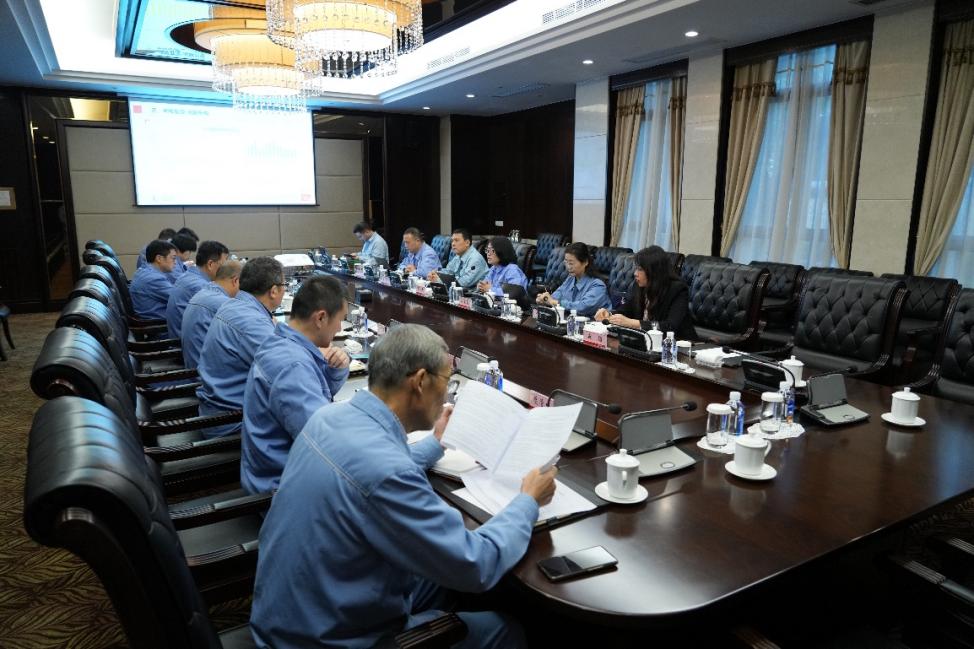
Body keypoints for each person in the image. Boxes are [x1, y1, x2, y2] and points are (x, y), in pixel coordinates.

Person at [251, 324, 556, 649]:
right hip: (325, 639)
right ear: (421, 381)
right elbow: (476, 564)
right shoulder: (388, 473)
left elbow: (367, 471)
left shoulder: (328, 418)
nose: (447, 393)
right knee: (506, 628)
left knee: (442, 582)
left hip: (292, 610)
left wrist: (436, 443)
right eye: (447, 380)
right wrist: (527, 501)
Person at [241, 276, 351, 495]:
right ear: (320, 318)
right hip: (281, 488)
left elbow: (316, 392)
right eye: (340, 320)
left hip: (270, 469)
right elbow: (325, 444)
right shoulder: (292, 366)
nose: (339, 328)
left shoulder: (282, 341)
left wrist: (335, 370)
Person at [196, 257, 286, 438]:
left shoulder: (234, 305)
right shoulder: (251, 322)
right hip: (232, 423)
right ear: (274, 291)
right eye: (285, 285)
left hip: (216, 412)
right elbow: (287, 371)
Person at [594, 245, 697, 339]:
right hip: (645, 341)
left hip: (680, 345)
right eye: (636, 269)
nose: (635, 273)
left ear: (654, 271)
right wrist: (609, 314)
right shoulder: (639, 285)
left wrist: (633, 323)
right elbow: (627, 310)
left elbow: (669, 326)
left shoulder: (677, 290)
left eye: (640, 269)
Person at [181, 260, 242, 369]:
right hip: (207, 373)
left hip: (194, 365)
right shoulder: (223, 303)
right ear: (235, 281)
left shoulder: (205, 292)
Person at [165, 240, 229, 340]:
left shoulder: (188, 275)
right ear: (210, 264)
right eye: (224, 266)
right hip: (182, 342)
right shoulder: (201, 287)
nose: (227, 271)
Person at [535, 242, 611, 317]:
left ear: (585, 262)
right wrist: (544, 299)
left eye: (571, 263)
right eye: (566, 262)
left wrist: (554, 302)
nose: (568, 267)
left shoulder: (598, 285)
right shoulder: (570, 279)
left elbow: (582, 307)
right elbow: (556, 295)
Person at [129, 239, 177, 323]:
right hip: (160, 324)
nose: (175, 262)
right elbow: (179, 298)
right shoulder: (154, 279)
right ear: (159, 258)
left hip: (153, 319)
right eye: (173, 258)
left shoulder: (144, 270)